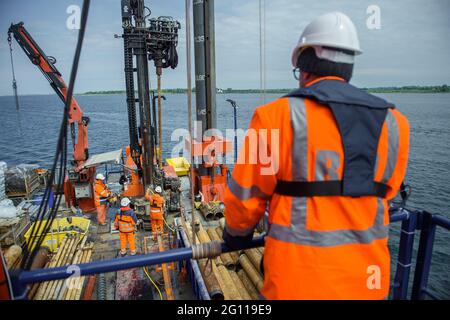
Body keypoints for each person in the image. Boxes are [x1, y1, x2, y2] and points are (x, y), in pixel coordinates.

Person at [222, 12, 410, 299]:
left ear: (305, 67)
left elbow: (245, 197)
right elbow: (389, 191)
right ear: (349, 67)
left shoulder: (275, 117)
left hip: (296, 287)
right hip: (368, 286)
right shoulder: (395, 123)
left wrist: (236, 236)